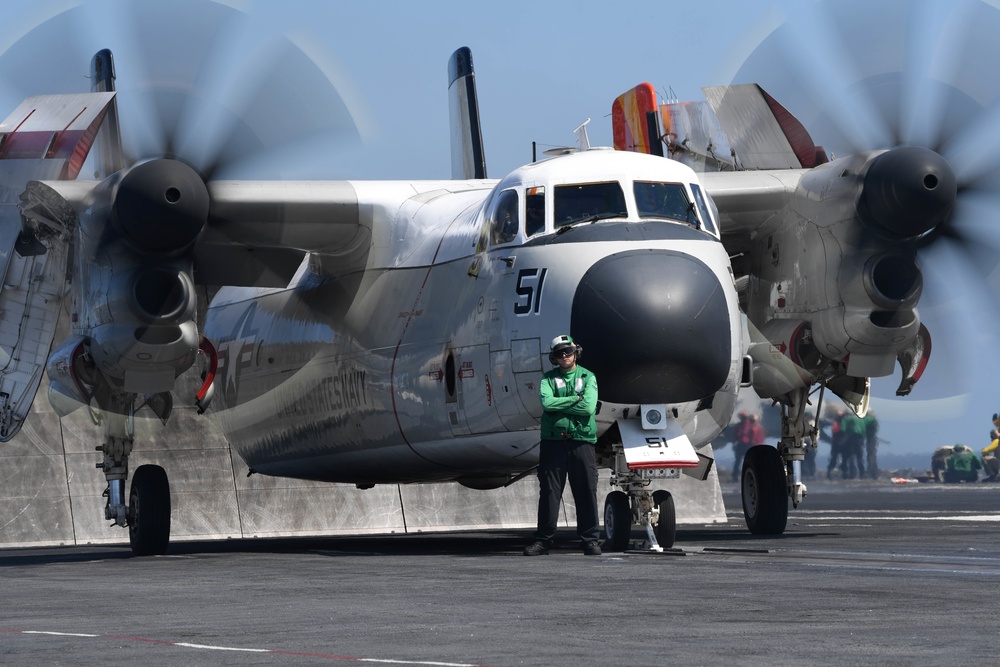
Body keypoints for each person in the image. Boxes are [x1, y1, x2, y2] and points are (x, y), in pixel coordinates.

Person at [524, 335, 602, 556]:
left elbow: (588, 408)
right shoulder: (547, 379)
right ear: (554, 357)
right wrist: (575, 399)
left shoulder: (588, 376)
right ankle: (543, 540)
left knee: (586, 490)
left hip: (581, 442)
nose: (565, 356)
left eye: (568, 351)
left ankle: (590, 540)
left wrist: (563, 405)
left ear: (576, 351)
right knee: (549, 492)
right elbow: (547, 403)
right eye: (560, 353)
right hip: (553, 443)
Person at [862, 411, 879, 479]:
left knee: (870, 455)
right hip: (872, 438)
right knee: (872, 454)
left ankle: (870, 471)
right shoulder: (873, 419)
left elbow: (863, 427)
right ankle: (874, 472)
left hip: (870, 438)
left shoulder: (867, 419)